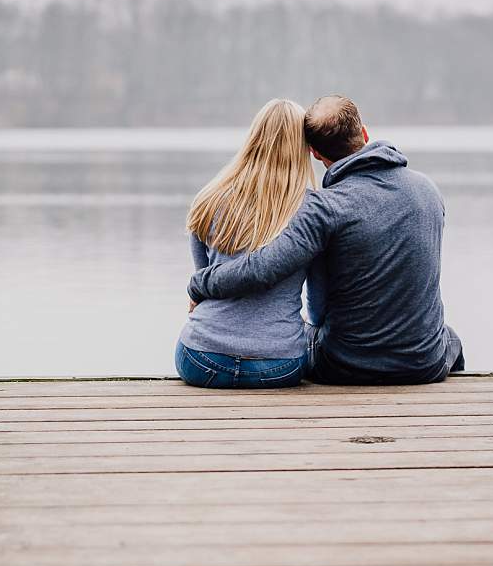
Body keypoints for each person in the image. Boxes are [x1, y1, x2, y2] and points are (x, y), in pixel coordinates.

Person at [187, 94, 464, 385]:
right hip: (425, 363)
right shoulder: (427, 191)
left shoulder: (324, 208)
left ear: (316, 153)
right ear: (365, 133)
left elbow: (267, 273)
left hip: (345, 366)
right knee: (449, 337)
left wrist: (199, 284)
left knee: (308, 333)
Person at [176, 99, 327, 389]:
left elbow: (206, 283)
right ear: (304, 147)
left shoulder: (209, 199)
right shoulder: (312, 211)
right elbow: (319, 301)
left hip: (200, 358)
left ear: (253, 138)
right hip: (279, 364)